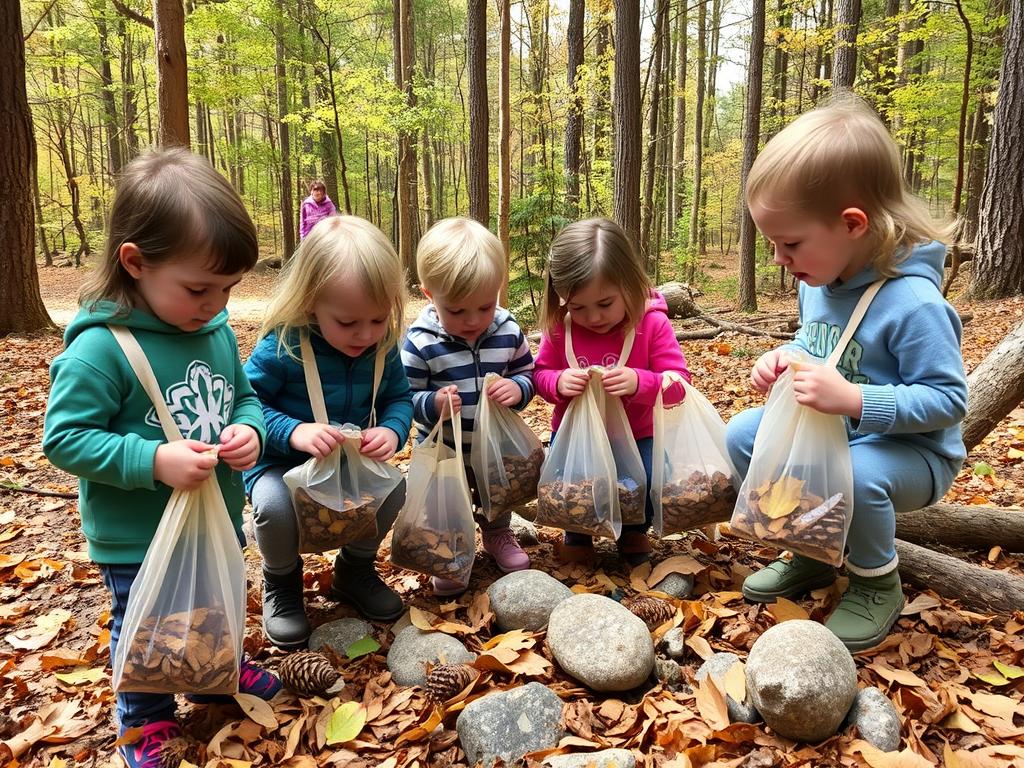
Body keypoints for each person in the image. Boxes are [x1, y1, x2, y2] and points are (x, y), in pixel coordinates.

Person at [42, 148, 280, 768]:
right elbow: (64, 438)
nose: (218, 303)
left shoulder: (215, 331)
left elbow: (245, 396)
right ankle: (143, 721)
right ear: (136, 262)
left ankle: (212, 674)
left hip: (216, 518)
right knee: (146, 621)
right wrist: (152, 459)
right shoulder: (100, 349)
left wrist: (249, 432)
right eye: (200, 288)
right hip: (136, 535)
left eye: (228, 288)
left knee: (213, 601)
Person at [726, 94, 968, 651]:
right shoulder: (823, 280)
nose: (780, 260)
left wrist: (857, 401)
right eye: (772, 244)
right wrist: (784, 359)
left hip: (913, 453)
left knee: (859, 473)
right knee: (742, 434)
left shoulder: (914, 304)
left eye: (789, 243)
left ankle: (877, 582)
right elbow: (819, 348)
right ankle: (814, 553)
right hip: (839, 435)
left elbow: (949, 400)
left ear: (852, 223)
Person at [244, 215, 413, 647]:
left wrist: (393, 432)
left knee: (393, 490)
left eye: (378, 320)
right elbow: (246, 403)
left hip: (345, 465)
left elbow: (398, 399)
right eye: (348, 322)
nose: (366, 334)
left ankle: (354, 571)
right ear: (309, 302)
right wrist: (294, 431)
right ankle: (282, 584)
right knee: (274, 508)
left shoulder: (383, 346)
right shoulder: (283, 346)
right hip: (280, 463)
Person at [533, 218, 691, 566]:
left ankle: (635, 531)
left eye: (605, 303)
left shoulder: (651, 324)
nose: (593, 317)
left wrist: (640, 382)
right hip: (577, 438)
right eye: (578, 307)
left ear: (630, 285)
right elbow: (540, 374)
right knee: (574, 485)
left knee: (648, 481)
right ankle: (578, 534)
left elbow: (679, 383)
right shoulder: (562, 329)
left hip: (639, 435)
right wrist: (558, 383)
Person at [401, 217, 535, 596]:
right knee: (444, 504)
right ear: (429, 295)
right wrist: (433, 403)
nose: (473, 321)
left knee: (498, 491)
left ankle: (497, 535)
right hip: (445, 447)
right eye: (457, 311)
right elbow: (405, 395)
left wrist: (518, 388)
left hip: (493, 444)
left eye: (484, 306)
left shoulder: (507, 329)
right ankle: (449, 549)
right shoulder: (420, 341)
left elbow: (528, 372)